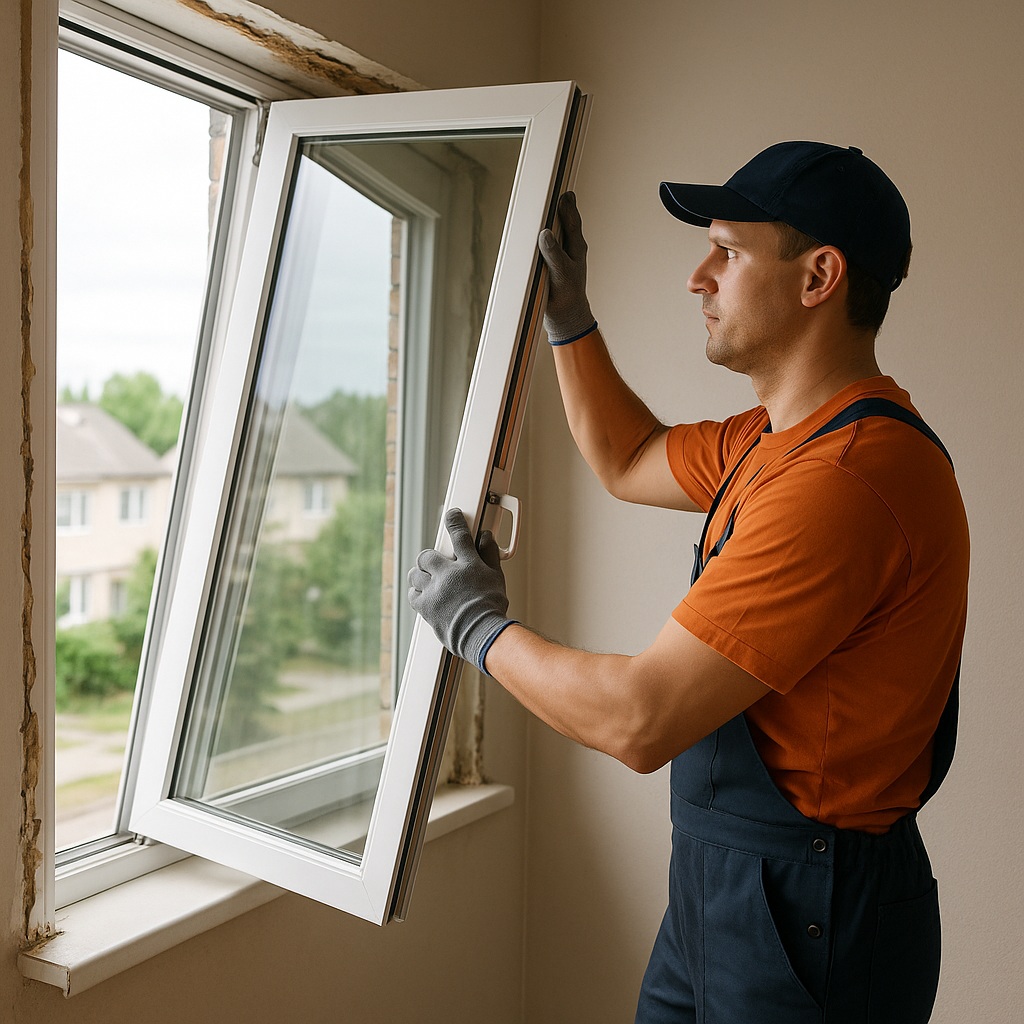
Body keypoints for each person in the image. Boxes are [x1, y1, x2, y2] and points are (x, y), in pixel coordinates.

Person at [407, 141, 969, 1023]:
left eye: (729, 252)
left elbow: (641, 719)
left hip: (810, 912)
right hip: (726, 889)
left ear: (819, 275)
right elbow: (630, 458)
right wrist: (569, 316)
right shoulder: (773, 442)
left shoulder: (847, 481)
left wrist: (476, 628)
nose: (697, 278)